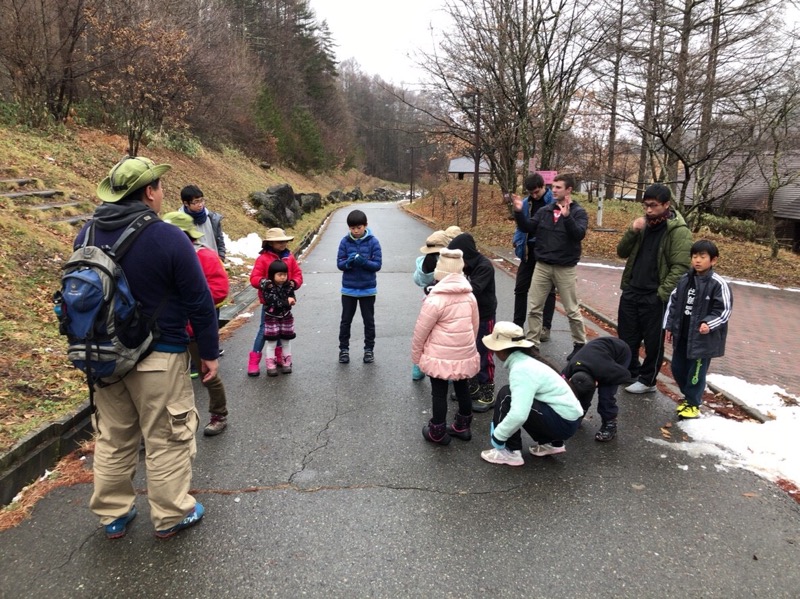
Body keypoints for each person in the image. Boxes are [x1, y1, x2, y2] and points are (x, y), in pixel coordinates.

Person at [78, 156, 217, 539]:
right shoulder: (167, 236)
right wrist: (208, 352)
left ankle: (113, 514)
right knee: (167, 437)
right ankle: (171, 514)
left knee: (113, 436)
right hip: (159, 355)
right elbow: (199, 301)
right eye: (158, 186)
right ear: (150, 192)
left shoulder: (87, 233)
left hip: (104, 358)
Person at [617, 183, 693, 394]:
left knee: (653, 342)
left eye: (653, 205)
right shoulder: (642, 225)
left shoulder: (678, 231)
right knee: (627, 336)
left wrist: (662, 293)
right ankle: (631, 372)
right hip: (632, 289)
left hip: (655, 295)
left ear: (666, 205)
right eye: (645, 206)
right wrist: (632, 231)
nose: (648, 210)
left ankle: (648, 380)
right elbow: (622, 252)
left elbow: (681, 267)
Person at [162, 211, 230, 436]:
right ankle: (170, 421)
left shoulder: (206, 256)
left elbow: (220, 290)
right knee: (168, 378)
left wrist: (191, 297)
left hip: (195, 328)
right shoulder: (158, 257)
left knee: (207, 374)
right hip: (167, 329)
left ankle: (219, 414)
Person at [479, 322, 584, 466]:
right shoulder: (529, 360)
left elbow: (518, 414)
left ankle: (510, 451)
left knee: (507, 394)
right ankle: (552, 443)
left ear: (502, 349)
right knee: (522, 397)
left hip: (563, 424)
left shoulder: (521, 369)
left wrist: (498, 437)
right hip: (569, 420)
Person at [513, 173, 588, 359]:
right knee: (534, 307)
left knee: (572, 310)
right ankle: (532, 343)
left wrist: (567, 217)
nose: (553, 190)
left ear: (569, 190)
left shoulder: (578, 212)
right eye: (553, 187)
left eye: (558, 187)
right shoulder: (545, 211)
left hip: (565, 268)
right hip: (543, 266)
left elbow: (579, 234)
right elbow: (528, 227)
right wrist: (519, 212)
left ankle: (580, 345)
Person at [411, 248, 480, 445]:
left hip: (439, 355)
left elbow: (421, 331)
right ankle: (463, 426)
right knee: (462, 387)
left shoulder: (435, 299)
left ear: (439, 271)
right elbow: (474, 326)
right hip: (463, 352)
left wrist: (417, 356)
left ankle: (437, 431)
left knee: (439, 392)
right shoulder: (470, 296)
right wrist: (467, 347)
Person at [664, 240, 733, 419]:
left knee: (695, 373)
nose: (697, 260)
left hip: (702, 339)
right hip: (682, 334)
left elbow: (724, 311)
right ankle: (689, 397)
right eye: (694, 256)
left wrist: (708, 324)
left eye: (702, 257)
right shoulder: (685, 280)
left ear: (713, 260)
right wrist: (669, 326)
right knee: (677, 368)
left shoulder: (718, 284)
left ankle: (693, 404)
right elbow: (673, 303)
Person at [447, 232, 497, 412]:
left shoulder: (484, 267)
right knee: (470, 351)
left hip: (484, 315)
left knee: (484, 354)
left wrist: (451, 286)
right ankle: (473, 386)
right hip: (470, 315)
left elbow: (473, 289)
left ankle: (488, 393)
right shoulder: (468, 267)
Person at [248, 228, 303, 376]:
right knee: (264, 330)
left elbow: (297, 274)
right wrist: (265, 283)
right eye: (279, 241)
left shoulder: (289, 257)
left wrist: (293, 283)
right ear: (270, 243)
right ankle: (254, 361)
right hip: (269, 302)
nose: (283, 244)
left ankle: (279, 357)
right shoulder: (263, 259)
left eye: (284, 241)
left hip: (285, 302)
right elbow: (254, 278)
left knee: (282, 330)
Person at [411, 227, 460, 381]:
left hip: (435, 304)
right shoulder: (436, 261)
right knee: (439, 337)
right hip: (441, 305)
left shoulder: (427, 261)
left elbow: (417, 280)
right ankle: (439, 369)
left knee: (430, 335)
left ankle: (421, 367)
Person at [562, 336, 632, 442]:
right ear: (570, 378)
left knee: (606, 395)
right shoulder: (569, 368)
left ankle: (610, 424)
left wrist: (605, 381)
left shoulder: (608, 371)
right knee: (582, 391)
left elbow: (626, 375)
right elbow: (558, 385)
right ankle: (579, 414)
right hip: (597, 353)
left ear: (596, 383)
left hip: (620, 352)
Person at [512, 173, 556, 339]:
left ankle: (545, 327)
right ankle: (517, 325)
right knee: (520, 288)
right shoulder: (526, 203)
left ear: (543, 186)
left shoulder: (553, 201)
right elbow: (520, 225)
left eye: (537, 192)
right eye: (531, 193)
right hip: (528, 251)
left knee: (548, 291)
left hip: (546, 252)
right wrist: (517, 240)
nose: (534, 195)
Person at [337, 209, 383, 364]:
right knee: (345, 321)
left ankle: (369, 350)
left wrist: (364, 262)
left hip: (367, 289)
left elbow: (377, 265)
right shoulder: (345, 242)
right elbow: (340, 264)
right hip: (349, 289)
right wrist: (348, 262)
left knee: (368, 321)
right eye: (352, 228)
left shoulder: (373, 242)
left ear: (365, 226)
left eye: (359, 227)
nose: (356, 231)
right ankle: (344, 349)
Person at [260, 260, 297, 376]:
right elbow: (273, 301)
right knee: (272, 342)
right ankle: (271, 365)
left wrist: (292, 299)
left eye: (284, 274)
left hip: (286, 316)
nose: (283, 277)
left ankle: (287, 363)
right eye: (279, 275)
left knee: (286, 340)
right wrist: (287, 302)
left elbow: (292, 296)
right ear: (273, 275)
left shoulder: (288, 286)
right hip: (272, 317)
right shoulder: (268, 287)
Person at [180, 185, 226, 260]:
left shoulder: (211, 218)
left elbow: (220, 239)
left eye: (201, 200)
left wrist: (221, 256)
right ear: (186, 203)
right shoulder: (180, 222)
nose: (200, 204)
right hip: (194, 263)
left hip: (214, 262)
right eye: (196, 202)